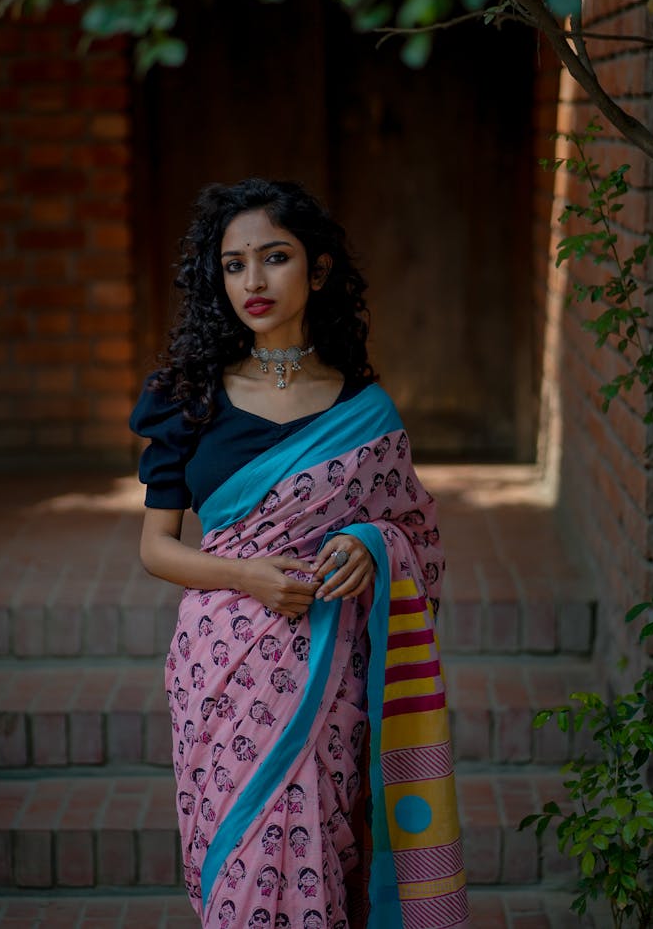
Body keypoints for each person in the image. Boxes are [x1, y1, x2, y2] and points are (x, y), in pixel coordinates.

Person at [130, 179, 469, 929]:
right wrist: (247, 575)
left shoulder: (366, 414)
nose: (252, 281)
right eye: (233, 264)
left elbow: (416, 538)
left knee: (323, 846)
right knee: (240, 860)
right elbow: (157, 548)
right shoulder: (187, 398)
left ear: (317, 271)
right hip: (223, 663)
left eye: (274, 258)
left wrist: (373, 548)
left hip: (330, 670)